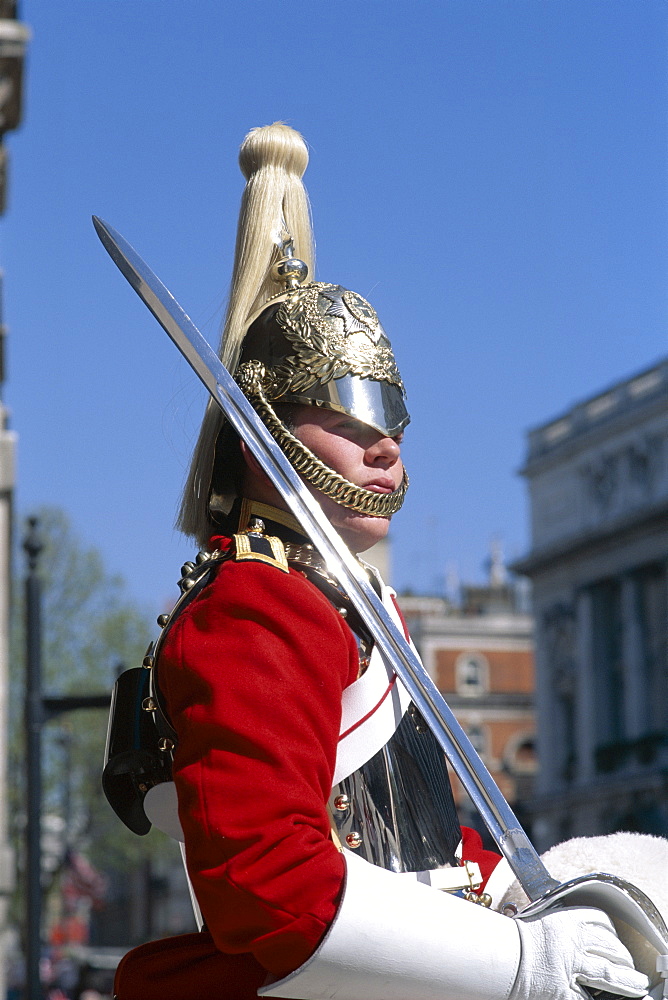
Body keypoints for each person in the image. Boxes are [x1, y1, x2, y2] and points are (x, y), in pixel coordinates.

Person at [112, 123, 649, 1000]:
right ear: (265, 437)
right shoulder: (253, 605)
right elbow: (270, 886)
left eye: (392, 427)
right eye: (350, 423)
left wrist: (533, 901)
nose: (385, 452)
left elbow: (433, 842)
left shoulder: (359, 610)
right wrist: (525, 964)